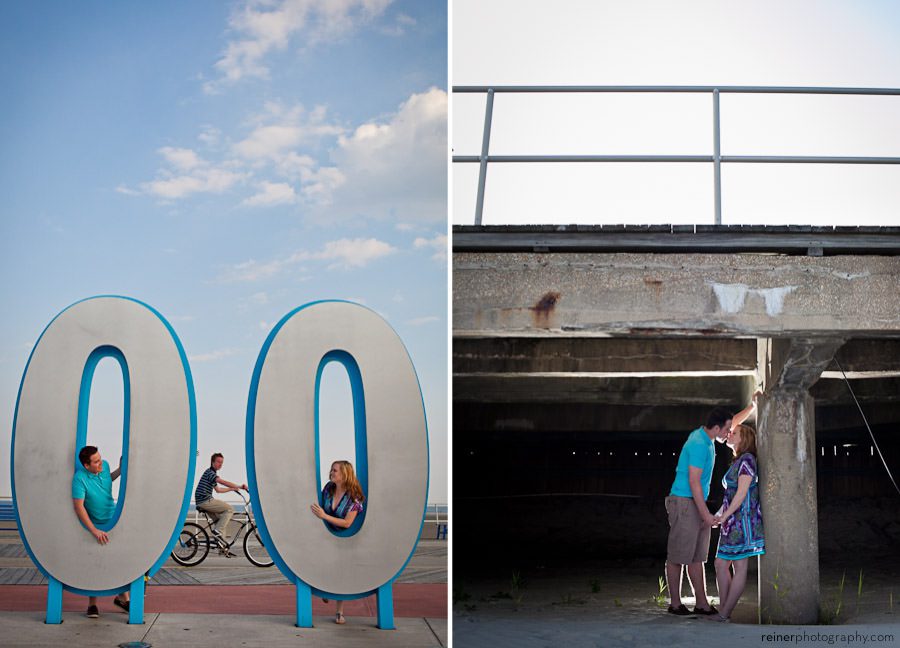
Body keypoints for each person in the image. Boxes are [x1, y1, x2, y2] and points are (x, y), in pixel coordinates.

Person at [664, 395, 758, 616]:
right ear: (717, 428)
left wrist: (751, 407)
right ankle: (675, 604)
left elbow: (732, 421)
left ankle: (702, 603)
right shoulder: (698, 444)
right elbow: (694, 482)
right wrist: (706, 514)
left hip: (696, 502)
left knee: (698, 556)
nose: (729, 432)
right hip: (685, 502)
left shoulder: (708, 437)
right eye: (727, 429)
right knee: (678, 555)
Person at [709, 420, 765, 622]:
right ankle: (724, 612)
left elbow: (741, 494)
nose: (729, 434)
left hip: (743, 522)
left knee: (738, 567)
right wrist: (719, 514)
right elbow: (730, 496)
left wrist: (725, 515)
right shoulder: (738, 461)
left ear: (744, 439)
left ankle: (724, 613)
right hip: (731, 521)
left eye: (734, 432)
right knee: (720, 564)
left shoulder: (748, 460)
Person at [71, 445, 130, 618]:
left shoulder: (104, 466)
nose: (101, 463)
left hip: (113, 521)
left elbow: (108, 480)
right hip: (95, 525)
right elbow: (78, 507)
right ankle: (92, 605)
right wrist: (94, 530)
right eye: (96, 462)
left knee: (117, 561)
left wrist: (119, 470)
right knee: (94, 564)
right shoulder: (79, 479)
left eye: (100, 458)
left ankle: (123, 598)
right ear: (86, 465)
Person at [310, 460, 366, 625]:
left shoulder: (354, 497)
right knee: (321, 563)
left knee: (340, 572)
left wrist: (324, 516)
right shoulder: (328, 488)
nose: (331, 473)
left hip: (344, 537)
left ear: (344, 474)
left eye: (335, 471)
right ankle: (325, 590)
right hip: (325, 534)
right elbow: (318, 505)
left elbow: (347, 523)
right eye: (331, 470)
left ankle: (339, 612)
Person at [195, 453, 246, 556]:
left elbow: (218, 490)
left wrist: (232, 489)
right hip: (204, 501)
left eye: (221, 462)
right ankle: (217, 531)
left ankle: (222, 548)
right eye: (218, 462)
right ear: (212, 462)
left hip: (204, 500)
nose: (220, 464)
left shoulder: (211, 473)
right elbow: (222, 482)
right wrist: (239, 486)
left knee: (221, 521)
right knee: (230, 509)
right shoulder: (210, 473)